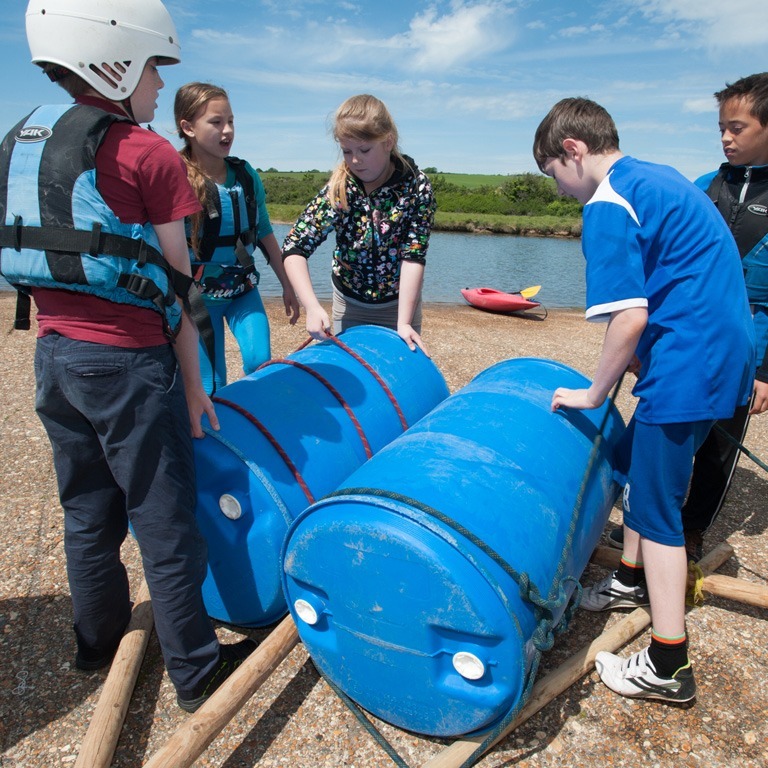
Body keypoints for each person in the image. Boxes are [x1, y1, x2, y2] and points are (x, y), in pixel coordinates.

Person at [0, 0, 254, 713]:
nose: (157, 86)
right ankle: (197, 672)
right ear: (109, 63)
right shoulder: (145, 154)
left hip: (53, 357)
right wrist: (196, 385)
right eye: (152, 68)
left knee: (86, 509)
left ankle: (96, 643)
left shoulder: (23, 139)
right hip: (128, 367)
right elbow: (177, 287)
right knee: (165, 520)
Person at [533, 97, 754, 703]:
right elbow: (686, 274)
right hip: (723, 355)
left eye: (555, 176)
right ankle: (630, 578)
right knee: (632, 461)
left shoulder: (607, 202)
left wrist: (594, 391)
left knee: (658, 513)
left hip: (688, 366)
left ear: (572, 151)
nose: (562, 192)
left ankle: (668, 665)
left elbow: (628, 318)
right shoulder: (660, 176)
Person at [608, 73, 768, 559]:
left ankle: (690, 529)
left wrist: (765, 371)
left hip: (748, 343)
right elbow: (662, 270)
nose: (725, 137)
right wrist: (640, 343)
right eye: (721, 126)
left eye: (737, 127)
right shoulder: (702, 187)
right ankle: (645, 522)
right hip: (685, 337)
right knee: (663, 430)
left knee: (719, 446)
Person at [282, 94, 436, 353]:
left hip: (400, 306)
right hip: (349, 304)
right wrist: (312, 306)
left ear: (388, 142)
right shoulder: (340, 188)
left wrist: (404, 322)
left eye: (364, 150)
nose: (354, 160)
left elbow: (414, 255)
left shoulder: (417, 187)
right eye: (346, 151)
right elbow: (294, 247)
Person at [174, 82, 300, 394]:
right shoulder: (175, 177)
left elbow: (266, 233)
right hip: (198, 300)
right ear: (188, 127)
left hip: (242, 289)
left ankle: (255, 431)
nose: (227, 130)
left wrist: (287, 285)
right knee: (210, 383)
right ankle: (209, 437)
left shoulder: (245, 175)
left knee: (261, 363)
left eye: (231, 121)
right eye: (216, 122)